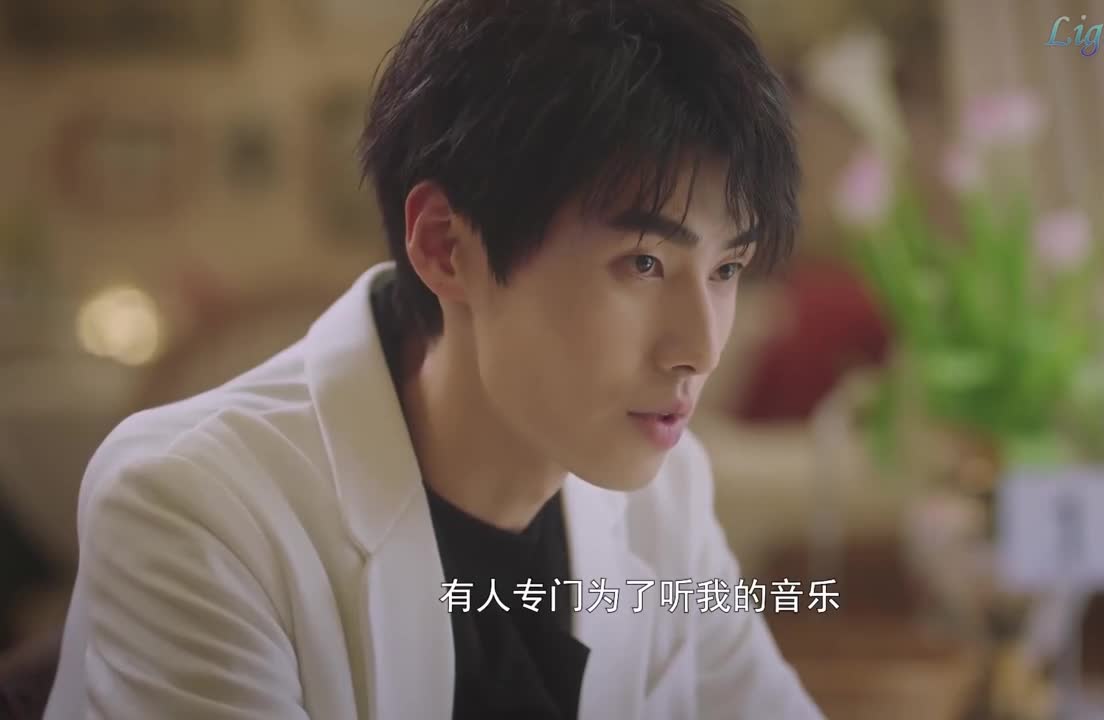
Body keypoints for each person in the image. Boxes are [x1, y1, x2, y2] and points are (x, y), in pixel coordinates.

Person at [43, 1, 825, 718]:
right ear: (446, 246)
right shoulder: (195, 509)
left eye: (728, 268)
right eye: (644, 263)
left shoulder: (668, 495)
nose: (701, 349)